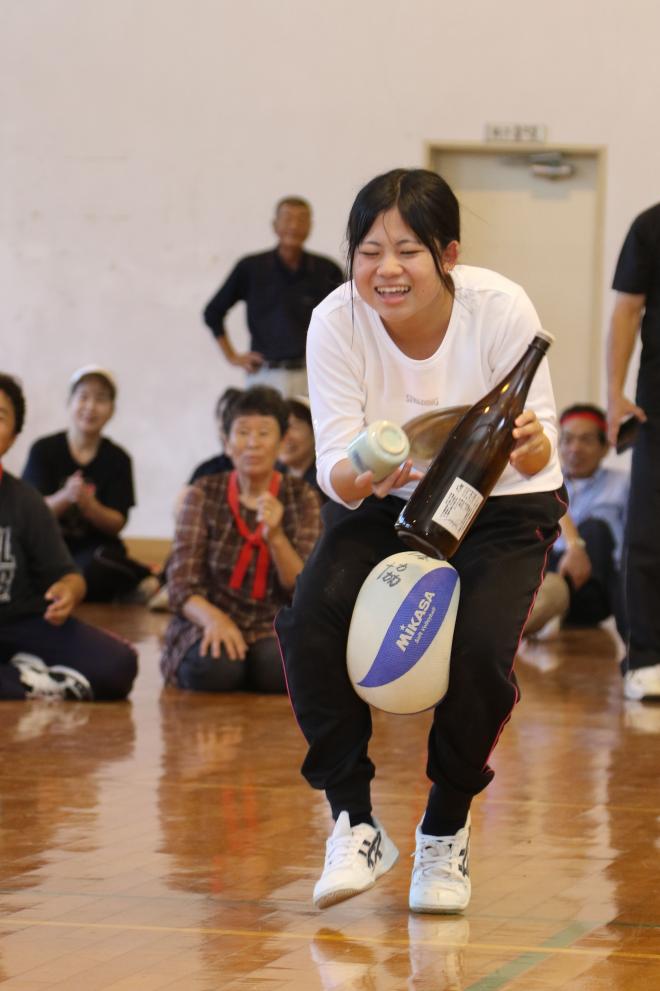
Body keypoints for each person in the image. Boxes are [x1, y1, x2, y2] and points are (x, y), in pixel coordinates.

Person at [275, 168, 565, 914]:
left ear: (448, 254)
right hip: (387, 499)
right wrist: (375, 462)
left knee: (478, 653)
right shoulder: (336, 320)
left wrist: (527, 444)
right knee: (309, 619)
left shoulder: (500, 309)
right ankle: (353, 819)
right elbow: (337, 477)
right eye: (369, 250)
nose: (387, 269)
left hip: (501, 503)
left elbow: (539, 453)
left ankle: (445, 828)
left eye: (408, 249)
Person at [160, 386, 322, 693]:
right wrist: (214, 620)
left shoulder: (301, 497)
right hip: (207, 615)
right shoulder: (203, 493)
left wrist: (275, 536)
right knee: (215, 670)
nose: (252, 443)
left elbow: (302, 588)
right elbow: (181, 585)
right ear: (227, 442)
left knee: (277, 670)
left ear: (281, 442)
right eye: (243, 432)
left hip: (269, 623)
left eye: (264, 433)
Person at [0, 373, 138, 701]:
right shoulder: (48, 451)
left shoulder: (25, 500)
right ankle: (26, 679)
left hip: (20, 621)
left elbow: (69, 575)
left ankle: (17, 677)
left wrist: (67, 593)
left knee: (117, 665)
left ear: (13, 436)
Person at [22, 366, 157, 603]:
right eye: (83, 397)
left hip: (95, 551)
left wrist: (90, 505)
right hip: (49, 547)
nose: (90, 407)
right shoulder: (44, 449)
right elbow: (29, 512)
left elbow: (117, 522)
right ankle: (125, 588)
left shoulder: (118, 458)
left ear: (112, 410)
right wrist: (65, 497)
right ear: (70, 402)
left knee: (94, 567)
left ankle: (145, 578)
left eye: (101, 399)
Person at [202, 197, 344, 396]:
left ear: (310, 226)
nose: (294, 226)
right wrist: (233, 356)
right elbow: (213, 312)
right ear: (274, 225)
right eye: (287, 219)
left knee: (312, 427)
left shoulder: (326, 270)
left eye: (301, 220)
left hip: (313, 375)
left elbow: (348, 317)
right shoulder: (251, 268)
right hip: (265, 374)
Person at [606, 202, 660, 701]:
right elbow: (627, 309)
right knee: (648, 532)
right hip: (657, 407)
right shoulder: (650, 225)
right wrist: (614, 392)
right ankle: (646, 655)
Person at [524, 404, 629, 639]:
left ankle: (545, 606)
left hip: (596, 585)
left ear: (605, 447)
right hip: (548, 570)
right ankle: (546, 604)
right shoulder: (545, 483)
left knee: (596, 529)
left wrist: (577, 547)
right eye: (568, 439)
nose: (575, 448)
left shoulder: (623, 484)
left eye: (587, 440)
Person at [277, 395, 324, 497]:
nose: (286, 436)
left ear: (314, 432)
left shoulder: (325, 480)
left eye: (294, 427)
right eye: (281, 427)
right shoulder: (271, 475)